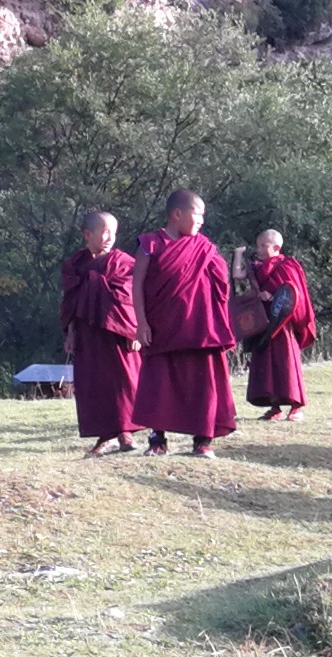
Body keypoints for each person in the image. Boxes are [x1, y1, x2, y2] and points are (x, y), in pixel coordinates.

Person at [132, 190, 236, 458]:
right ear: (177, 214)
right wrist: (141, 323)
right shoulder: (150, 244)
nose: (202, 220)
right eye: (197, 213)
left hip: (200, 329)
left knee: (205, 383)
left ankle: (203, 441)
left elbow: (222, 286)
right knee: (159, 382)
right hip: (162, 327)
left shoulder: (204, 247)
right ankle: (157, 440)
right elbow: (137, 286)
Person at [60, 212, 142, 457]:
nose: (109, 238)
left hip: (118, 332)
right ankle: (105, 436)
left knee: (124, 382)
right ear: (88, 234)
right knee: (94, 385)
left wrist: (136, 330)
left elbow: (133, 299)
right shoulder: (74, 265)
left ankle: (126, 432)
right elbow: (70, 302)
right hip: (88, 334)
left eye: (113, 232)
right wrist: (70, 333)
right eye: (104, 231)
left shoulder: (124, 262)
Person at [234, 230, 316, 422]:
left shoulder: (288, 266)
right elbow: (238, 275)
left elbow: (294, 293)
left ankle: (296, 407)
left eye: (264, 245)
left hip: (282, 324)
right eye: (258, 245)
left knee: (286, 363)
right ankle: (275, 407)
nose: (259, 249)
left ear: (276, 247)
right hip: (263, 323)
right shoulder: (256, 267)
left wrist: (273, 296)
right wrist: (238, 254)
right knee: (267, 366)